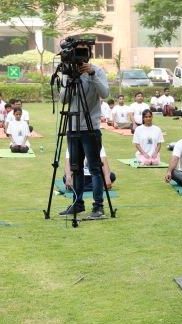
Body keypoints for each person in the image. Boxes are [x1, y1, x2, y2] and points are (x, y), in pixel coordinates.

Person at [63, 61, 110, 215]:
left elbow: (105, 93)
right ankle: (77, 204)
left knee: (95, 169)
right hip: (73, 127)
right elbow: (63, 99)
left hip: (91, 128)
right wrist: (70, 79)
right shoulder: (69, 72)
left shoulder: (97, 71)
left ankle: (98, 206)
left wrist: (92, 74)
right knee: (76, 169)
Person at [59, 145, 115, 219]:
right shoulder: (73, 141)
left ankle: (97, 204)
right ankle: (97, 187)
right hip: (81, 175)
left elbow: (103, 161)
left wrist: (107, 177)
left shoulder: (94, 139)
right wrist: (68, 176)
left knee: (111, 176)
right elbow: (68, 162)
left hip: (93, 176)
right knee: (66, 178)